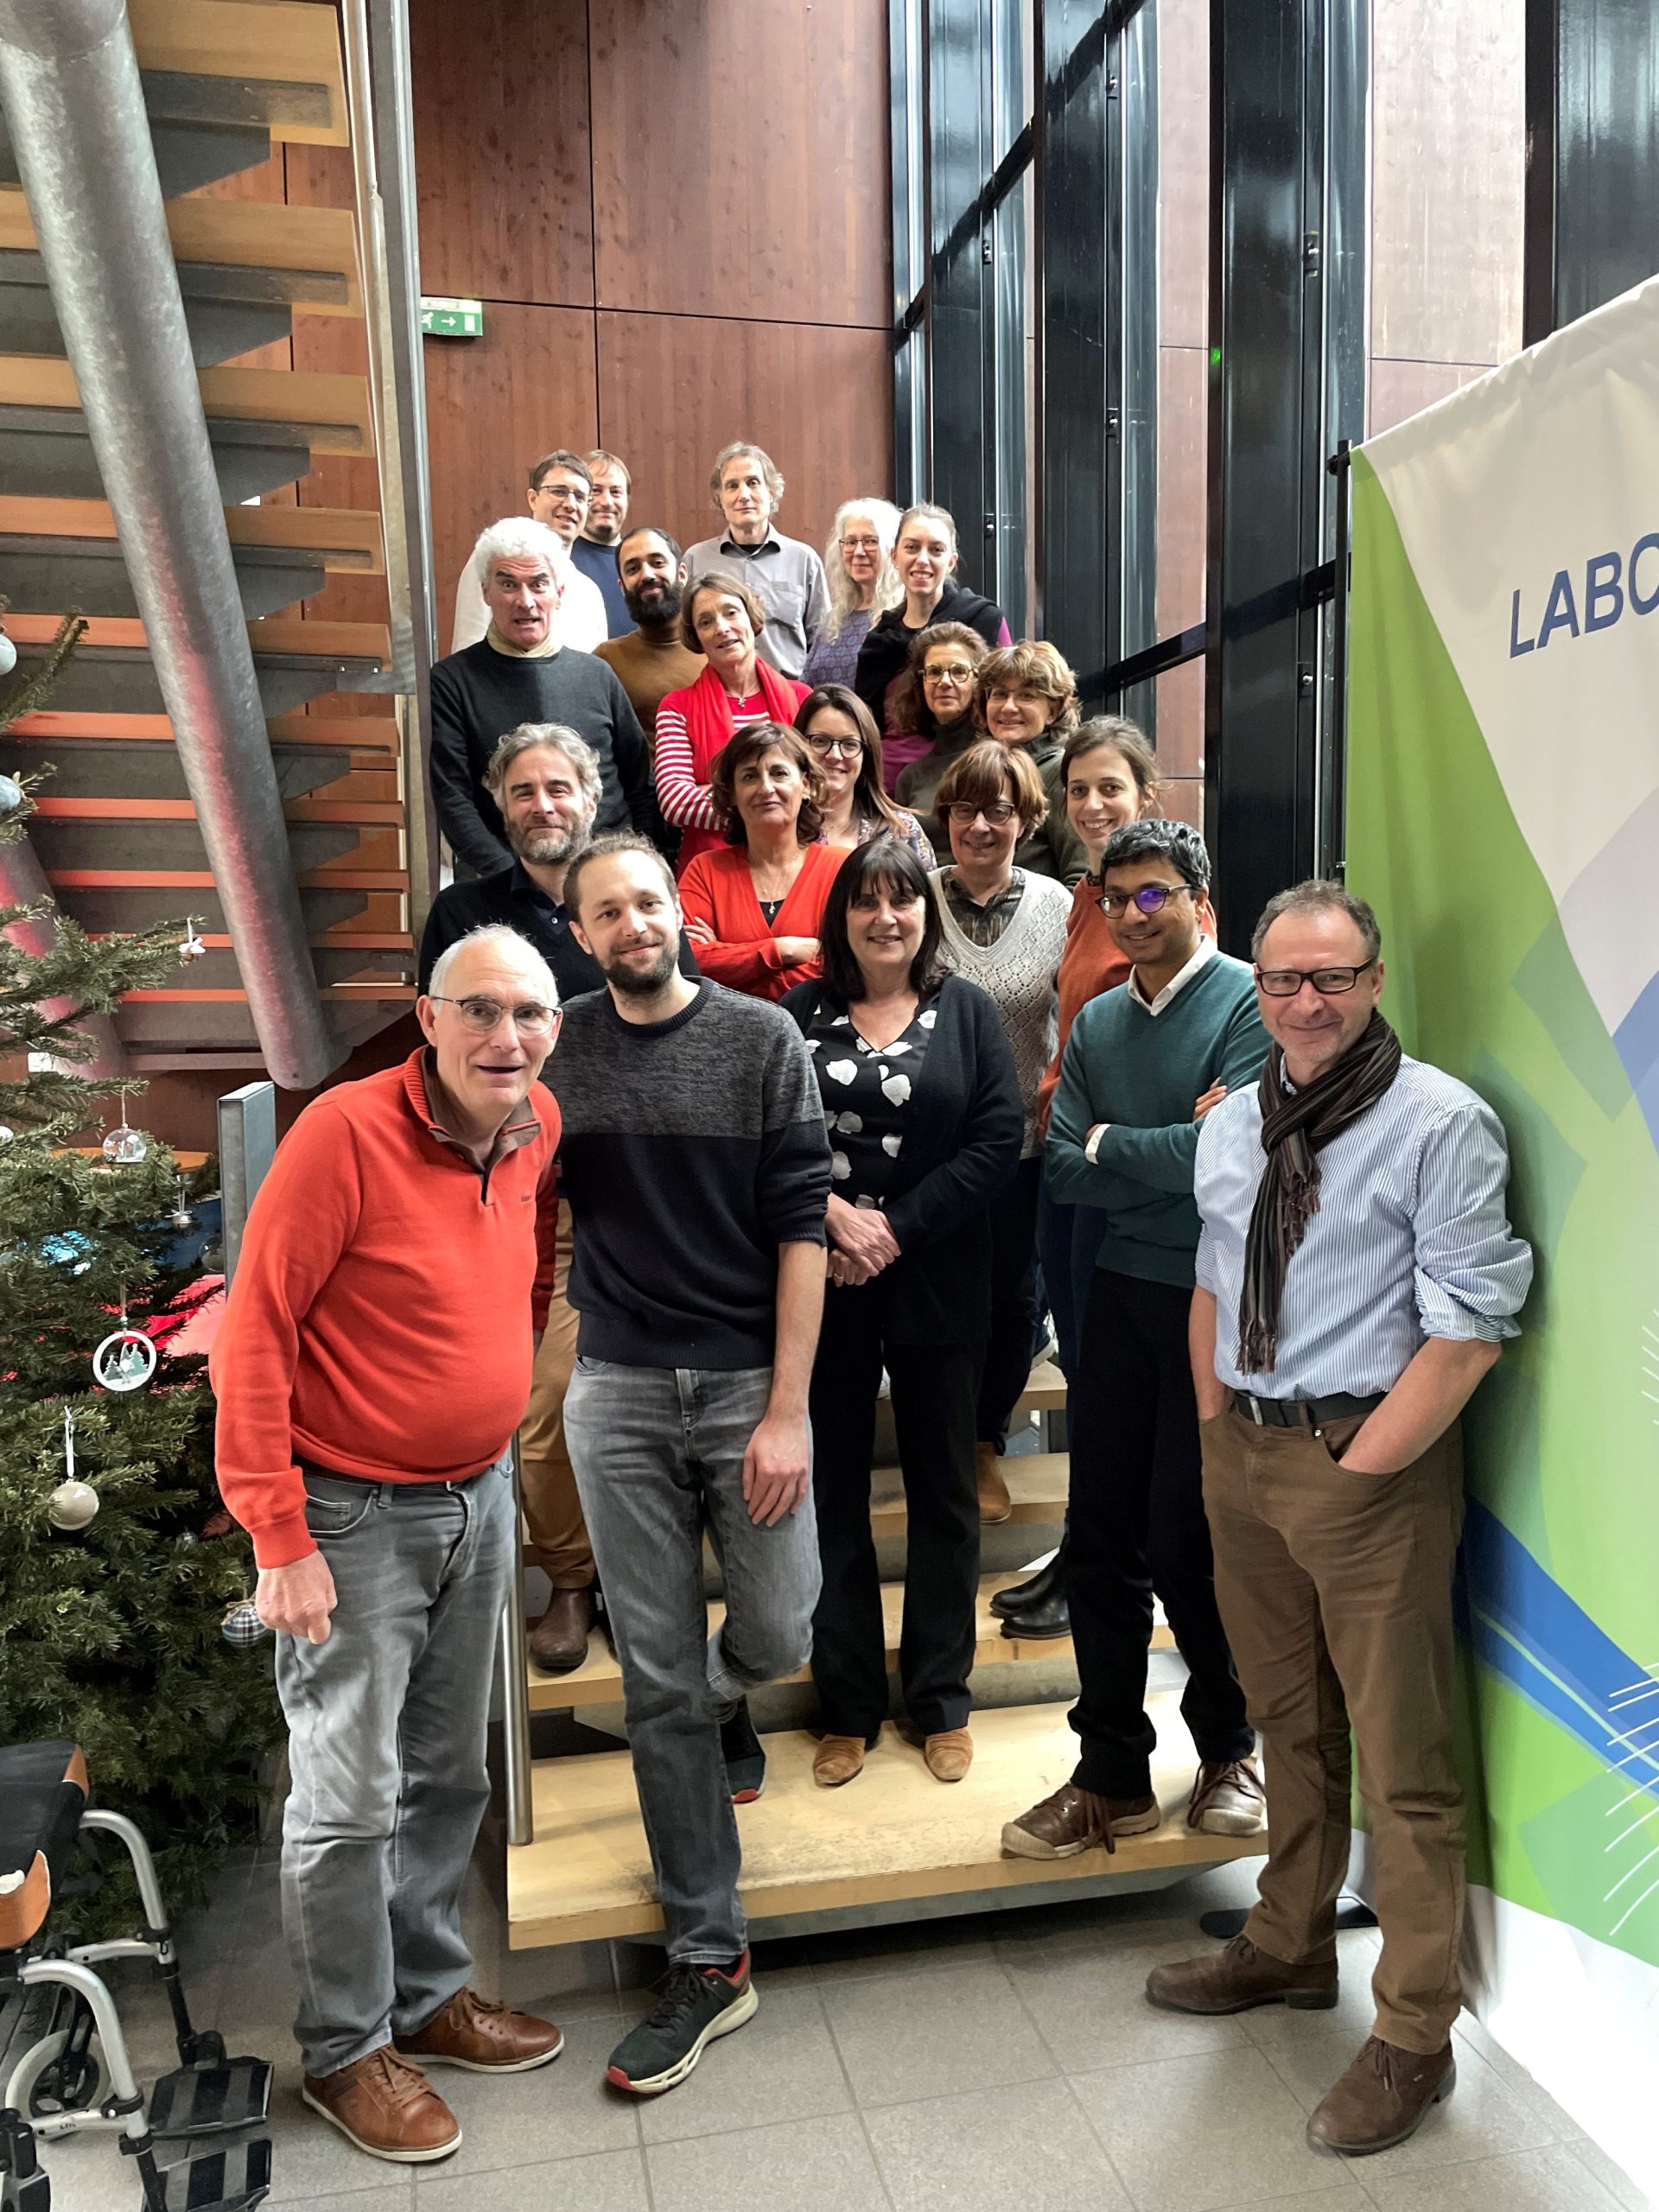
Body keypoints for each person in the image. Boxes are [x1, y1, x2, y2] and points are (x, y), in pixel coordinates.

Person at [1146, 881, 1532, 2159]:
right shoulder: (1229, 1125)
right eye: (1283, 980)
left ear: (1372, 981)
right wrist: (1219, 1425)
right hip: (1245, 1456)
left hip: (1367, 1464)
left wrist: (1360, 1468)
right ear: (1256, 987)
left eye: (1332, 977)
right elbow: (1213, 1278)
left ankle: (1415, 2033)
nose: (1306, 1002)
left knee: (1405, 1766)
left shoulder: (1440, 1123)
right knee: (1288, 1723)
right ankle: (1288, 1941)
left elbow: (1469, 1327)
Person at [211, 925, 566, 2165]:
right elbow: (255, 1330)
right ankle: (346, 2050)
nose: (505, 1037)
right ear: (427, 1018)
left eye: (530, 1013)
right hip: (349, 1515)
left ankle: (428, 1998)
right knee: (349, 1798)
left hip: (478, 1497)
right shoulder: (343, 1133)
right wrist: (277, 1531)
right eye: (479, 1010)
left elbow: (523, 1279)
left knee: (449, 1775)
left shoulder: (536, 1123)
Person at [555, 832, 831, 2094]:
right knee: (657, 1681)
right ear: (582, 935)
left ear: (681, 911)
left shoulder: (763, 1040)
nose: (635, 923)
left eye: (650, 901)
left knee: (777, 1630)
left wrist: (788, 1410)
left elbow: (801, 1228)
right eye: (608, 912)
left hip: (742, 1385)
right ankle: (709, 1955)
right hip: (615, 1387)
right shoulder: (556, 1044)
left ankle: (714, 1697)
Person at [1001, 818, 1270, 1865]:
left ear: (1200, 902)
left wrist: (1117, 1141)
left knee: (1187, 1539)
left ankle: (1229, 1750)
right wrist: (1157, 1151)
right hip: (1115, 1291)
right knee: (1102, 1537)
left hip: (1213, 1299)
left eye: (1153, 894)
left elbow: (1228, 1161)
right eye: (1116, 899)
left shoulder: (1248, 1001)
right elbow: (1065, 1165)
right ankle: (1110, 1772)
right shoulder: (1102, 1018)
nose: (1131, 915)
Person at [418, 726, 700, 1673]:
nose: (544, 804)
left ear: (592, 795)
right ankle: (573, 1579)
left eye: (560, 787)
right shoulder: (464, 912)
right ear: (500, 807)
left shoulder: (632, 903)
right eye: (524, 790)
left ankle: (645, 1582)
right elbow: (442, 1056)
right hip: (536, 1206)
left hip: (651, 1207)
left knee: (665, 1414)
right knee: (541, 1414)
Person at [782, 840, 1022, 1788]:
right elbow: (768, 1140)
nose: (886, 918)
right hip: (823, 1282)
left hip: (938, 1277)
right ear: (841, 917)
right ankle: (845, 1704)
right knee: (832, 1495)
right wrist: (832, 1216)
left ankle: (939, 1700)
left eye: (904, 901)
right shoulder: (798, 1013)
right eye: (866, 903)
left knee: (945, 1497)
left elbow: (997, 1139)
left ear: (928, 913)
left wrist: (892, 1229)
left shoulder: (967, 1011)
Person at [1001, 721, 1170, 1640]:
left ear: (1146, 794)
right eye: (1078, 791)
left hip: (1116, 1172)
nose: (1094, 805)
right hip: (1062, 1158)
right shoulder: (1085, 898)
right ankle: (1085, 1544)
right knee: (1083, 1369)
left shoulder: (1161, 898)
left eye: (1111, 787)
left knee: (1109, 1376)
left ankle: (1109, 1560)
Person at [928, 742, 1071, 1522]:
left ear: (1026, 819)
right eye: (964, 809)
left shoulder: (1058, 905)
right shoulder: (914, 899)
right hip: (933, 1148)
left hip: (1023, 1146)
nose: (979, 826)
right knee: (938, 1299)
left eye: (998, 811)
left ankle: (984, 1440)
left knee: (1012, 1301)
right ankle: (942, 1438)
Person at [429, 518, 662, 878]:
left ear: (559, 592)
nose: (525, 602)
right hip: (503, 882)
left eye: (539, 584)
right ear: (486, 592)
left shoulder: (597, 674)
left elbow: (640, 786)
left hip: (608, 878)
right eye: (508, 584)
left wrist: (630, 864)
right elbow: (453, 799)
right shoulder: (452, 681)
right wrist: (518, 884)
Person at [677, 723, 845, 1001]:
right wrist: (781, 950)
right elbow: (689, 963)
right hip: (728, 1029)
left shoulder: (842, 868)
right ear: (732, 794)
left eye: (779, 773)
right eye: (749, 776)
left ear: (806, 786)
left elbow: (844, 966)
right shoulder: (704, 871)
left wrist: (729, 963)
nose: (766, 787)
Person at [655, 575, 810, 871]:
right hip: (711, 868)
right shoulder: (676, 707)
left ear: (751, 618)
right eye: (705, 622)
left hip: (795, 862)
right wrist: (773, 805)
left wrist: (714, 790)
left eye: (731, 612)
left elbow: (820, 785)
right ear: (696, 637)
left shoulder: (802, 699)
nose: (721, 628)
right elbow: (675, 802)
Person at [853, 502, 1009, 735]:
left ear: (951, 562)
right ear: (894, 556)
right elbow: (867, 725)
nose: (922, 559)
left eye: (936, 550)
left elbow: (1004, 703)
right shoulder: (880, 639)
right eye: (912, 548)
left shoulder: (983, 620)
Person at [683, 441, 830, 677]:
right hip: (718, 694)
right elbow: (687, 641)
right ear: (720, 498)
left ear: (770, 492)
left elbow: (822, 646)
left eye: (753, 482)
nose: (743, 495)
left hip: (789, 695)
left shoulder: (803, 560)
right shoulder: (695, 560)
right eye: (732, 486)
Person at [450, 449, 607, 655]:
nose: (570, 504)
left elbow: (595, 668)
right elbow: (468, 652)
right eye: (559, 491)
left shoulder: (589, 592)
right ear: (533, 498)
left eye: (580, 497)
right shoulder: (496, 560)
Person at [975, 641, 1090, 886]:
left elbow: (1081, 879)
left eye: (1026, 695)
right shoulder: (981, 772)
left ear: (1053, 710)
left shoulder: (1063, 774)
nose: (1008, 707)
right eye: (999, 694)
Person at [795, 683, 932, 865]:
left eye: (849, 744)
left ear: (866, 755)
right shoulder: (781, 828)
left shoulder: (901, 831)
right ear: (798, 746)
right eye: (820, 741)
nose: (834, 755)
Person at [594, 526, 702, 747]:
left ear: (682, 574)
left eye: (658, 563)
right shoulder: (605, 661)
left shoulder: (717, 648)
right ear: (622, 587)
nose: (647, 575)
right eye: (633, 569)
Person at [892, 621, 995, 830]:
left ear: (979, 681)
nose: (945, 682)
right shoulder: (911, 777)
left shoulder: (998, 761)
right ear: (920, 682)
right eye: (934, 672)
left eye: (958, 671)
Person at [799, 497, 904, 690]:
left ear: (893, 550)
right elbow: (806, 685)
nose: (858, 551)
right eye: (850, 542)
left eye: (870, 541)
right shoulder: (835, 620)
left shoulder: (904, 616)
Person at [571, 448, 632, 637]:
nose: (606, 502)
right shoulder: (560, 560)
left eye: (616, 492)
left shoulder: (643, 563)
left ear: (628, 500)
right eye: (596, 491)